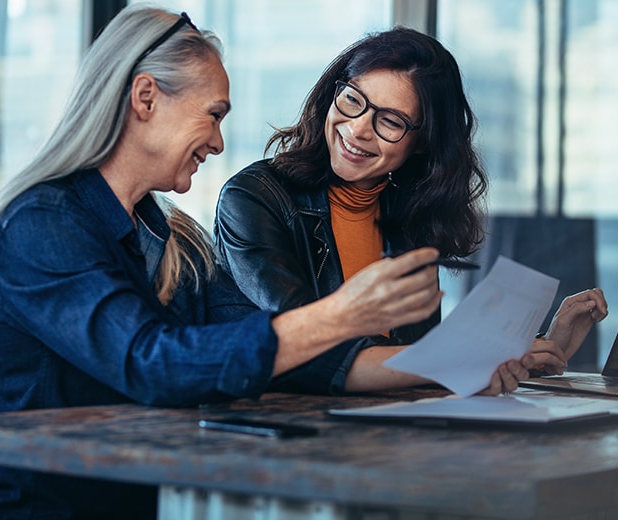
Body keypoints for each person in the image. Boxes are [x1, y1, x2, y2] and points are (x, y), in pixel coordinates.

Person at [0, 7, 504, 519]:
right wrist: (340, 316)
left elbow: (278, 354)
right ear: (145, 98)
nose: (219, 143)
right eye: (213, 115)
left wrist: (469, 364)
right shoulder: (38, 223)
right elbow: (151, 364)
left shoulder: (173, 237)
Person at [214, 26, 608, 395]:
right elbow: (309, 346)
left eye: (390, 121)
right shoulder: (254, 197)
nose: (358, 128)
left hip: (385, 432)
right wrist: (464, 362)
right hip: (282, 434)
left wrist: (533, 350)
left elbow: (417, 360)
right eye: (352, 99)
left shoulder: (410, 216)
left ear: (421, 144)